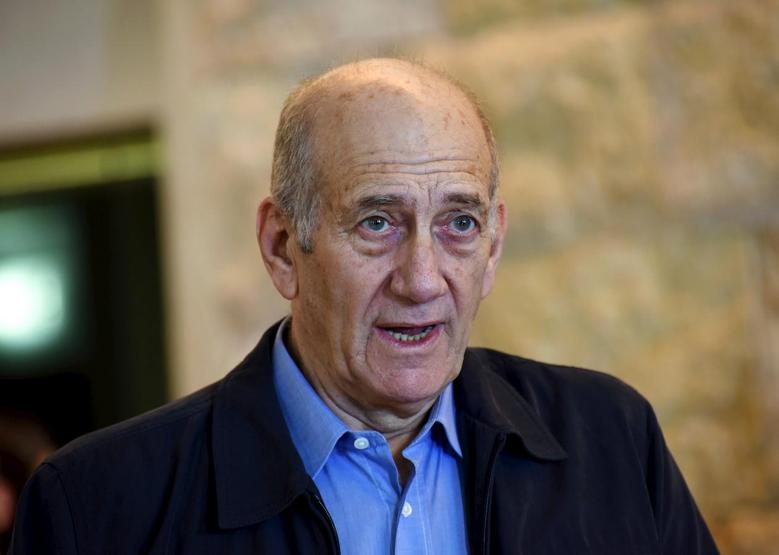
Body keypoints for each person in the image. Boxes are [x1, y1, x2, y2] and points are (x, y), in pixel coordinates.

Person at [10, 58, 718, 554]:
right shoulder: (95, 508)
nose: (422, 279)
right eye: (377, 222)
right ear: (282, 247)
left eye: (459, 223)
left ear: (494, 245)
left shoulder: (613, 440)